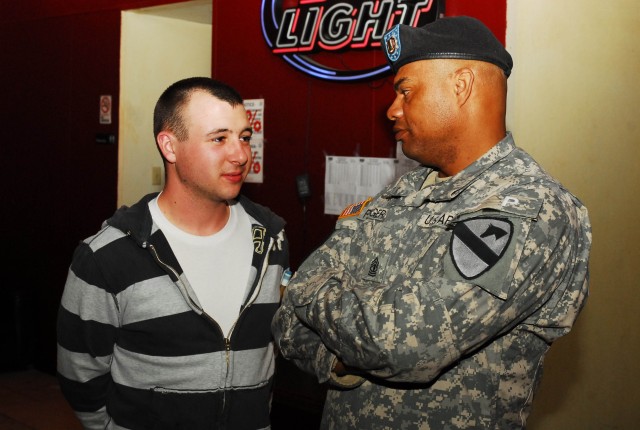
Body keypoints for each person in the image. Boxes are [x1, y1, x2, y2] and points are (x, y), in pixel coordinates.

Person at [272, 16, 591, 429]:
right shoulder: (400, 194)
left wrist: (304, 287)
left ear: (460, 86)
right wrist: (334, 362)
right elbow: (286, 326)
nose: (392, 109)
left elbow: (400, 344)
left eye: (405, 91)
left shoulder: (530, 208)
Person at [57, 77, 289, 429]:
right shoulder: (106, 257)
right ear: (169, 146)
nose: (241, 154)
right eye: (219, 138)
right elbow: (81, 376)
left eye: (244, 137)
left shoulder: (271, 239)